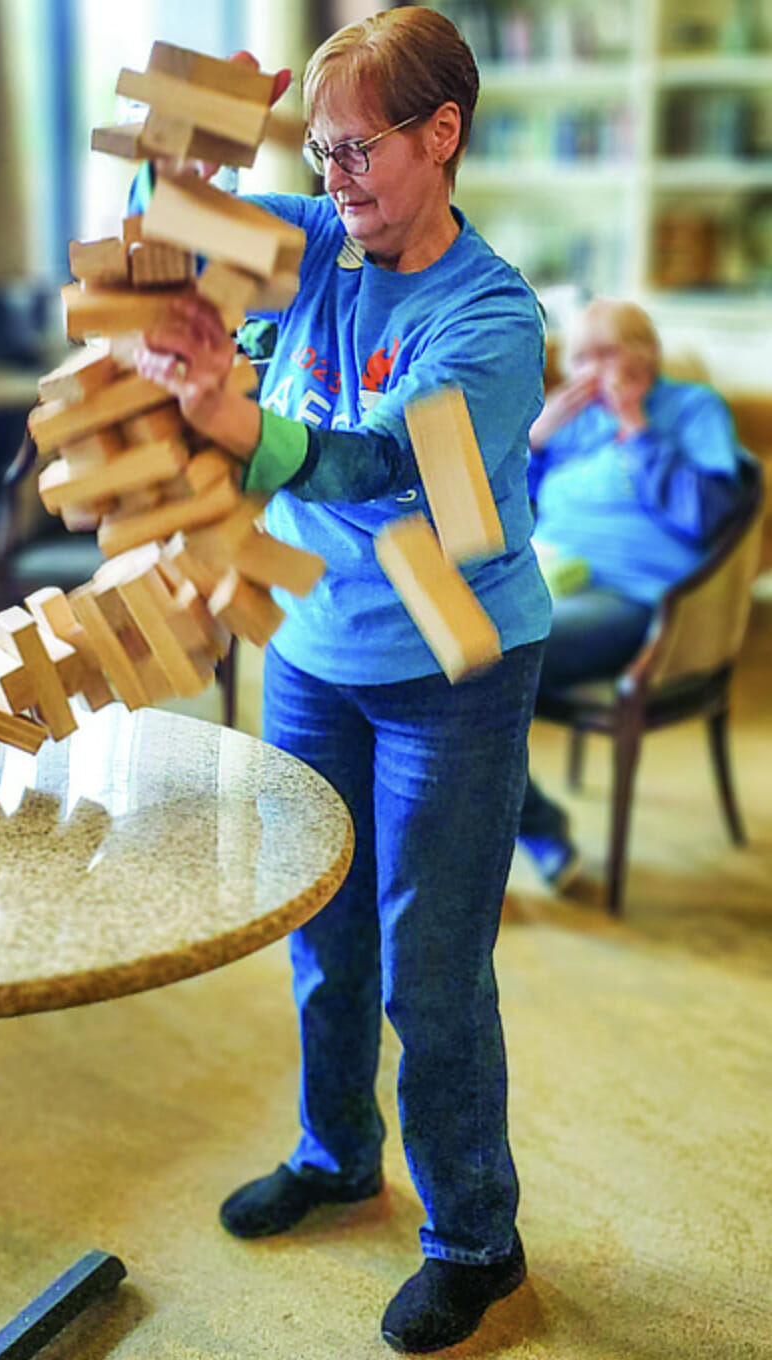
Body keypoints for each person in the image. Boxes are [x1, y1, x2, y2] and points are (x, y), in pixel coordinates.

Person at [129, 8, 552, 1354]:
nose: (336, 178)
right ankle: (334, 1154)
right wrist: (185, 157)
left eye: (359, 148)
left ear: (443, 134)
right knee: (323, 933)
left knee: (431, 972)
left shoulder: (491, 319)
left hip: (449, 671)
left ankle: (474, 1237)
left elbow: (379, 465)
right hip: (313, 648)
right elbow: (161, 232)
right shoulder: (316, 241)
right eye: (319, 153)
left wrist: (237, 421)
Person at [517, 298, 746, 890]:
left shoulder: (693, 409)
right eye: (580, 357)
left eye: (607, 353)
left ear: (648, 355)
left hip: (631, 598)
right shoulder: (573, 420)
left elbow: (707, 514)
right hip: (546, 579)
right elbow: (510, 511)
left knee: (492, 663)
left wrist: (637, 426)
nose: (592, 370)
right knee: (436, 652)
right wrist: (534, 442)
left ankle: (535, 831)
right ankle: (506, 828)